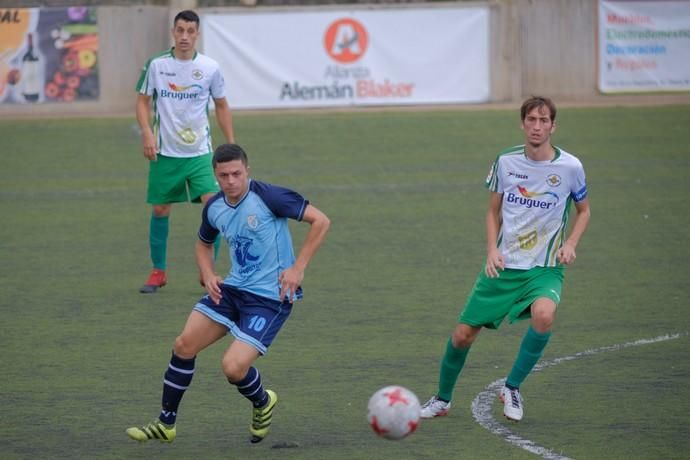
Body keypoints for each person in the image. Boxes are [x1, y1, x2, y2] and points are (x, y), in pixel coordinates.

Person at [126, 143, 331, 444]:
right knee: (184, 344)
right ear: (216, 176)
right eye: (224, 175)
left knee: (233, 368)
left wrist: (298, 268)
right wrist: (208, 273)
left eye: (237, 173)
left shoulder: (269, 196)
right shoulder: (214, 207)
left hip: (270, 299)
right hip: (232, 290)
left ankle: (263, 401)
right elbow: (203, 243)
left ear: (247, 170)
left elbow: (321, 220)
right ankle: (165, 423)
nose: (231, 181)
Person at [420, 96, 591, 422]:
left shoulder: (570, 167)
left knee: (544, 315)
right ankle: (442, 399)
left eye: (543, 121)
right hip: (504, 265)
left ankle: (512, 387)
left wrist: (570, 243)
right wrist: (491, 251)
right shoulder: (506, 161)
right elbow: (492, 211)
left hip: (545, 267)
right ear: (522, 124)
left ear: (553, 126)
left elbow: (584, 211)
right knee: (462, 336)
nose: (537, 126)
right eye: (531, 120)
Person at [136, 9, 235, 293]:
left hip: (200, 153)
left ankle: (209, 273)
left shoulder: (209, 67)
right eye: (180, 30)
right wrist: (146, 133)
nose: (184, 36)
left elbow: (222, 105)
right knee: (160, 209)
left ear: (197, 34)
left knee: (214, 208)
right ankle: (158, 272)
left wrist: (230, 144)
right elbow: (142, 101)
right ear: (173, 32)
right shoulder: (156, 65)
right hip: (165, 152)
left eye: (190, 31)